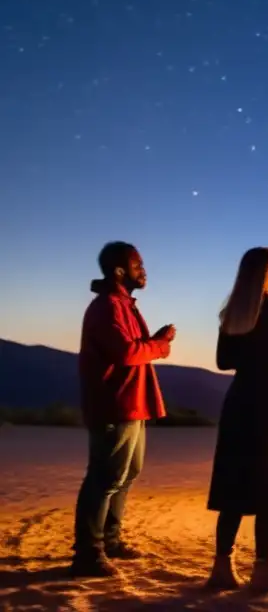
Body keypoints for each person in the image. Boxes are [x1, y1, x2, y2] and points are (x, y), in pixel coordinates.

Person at [71, 242, 176, 577]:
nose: (143, 270)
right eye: (137, 265)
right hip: (115, 405)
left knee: (126, 474)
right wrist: (159, 345)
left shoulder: (123, 305)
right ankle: (88, 552)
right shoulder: (107, 307)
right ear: (119, 271)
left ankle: (111, 540)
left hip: (132, 404)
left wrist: (155, 341)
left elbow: (131, 350)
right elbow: (126, 354)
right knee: (104, 478)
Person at [205, 247, 268, 593]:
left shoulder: (231, 313)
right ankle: (264, 567)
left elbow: (222, 361)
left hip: (240, 400)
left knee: (235, 482)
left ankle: (222, 566)